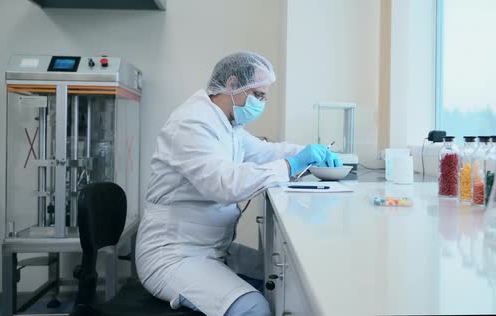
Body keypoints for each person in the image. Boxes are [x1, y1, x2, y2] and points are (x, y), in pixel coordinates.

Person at [136, 51, 342, 316]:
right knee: (254, 307)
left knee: (285, 281)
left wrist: (312, 153)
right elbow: (225, 185)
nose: (262, 103)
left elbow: (266, 151)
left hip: (210, 248)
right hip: (173, 256)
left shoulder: (227, 126)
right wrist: (294, 164)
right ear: (232, 84)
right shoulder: (191, 123)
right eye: (258, 95)